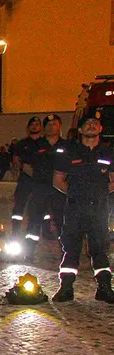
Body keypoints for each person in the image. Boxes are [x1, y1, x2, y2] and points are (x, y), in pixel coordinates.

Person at [51, 116, 114, 303]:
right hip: (75, 208)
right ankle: (66, 287)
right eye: (87, 123)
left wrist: (98, 194)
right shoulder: (69, 151)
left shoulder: (108, 152)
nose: (92, 125)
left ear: (101, 128)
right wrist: (76, 194)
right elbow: (58, 180)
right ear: (80, 130)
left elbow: (113, 180)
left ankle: (104, 287)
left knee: (100, 248)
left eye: (95, 123)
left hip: (99, 209)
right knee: (70, 248)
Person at [23, 114, 69, 259]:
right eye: (49, 124)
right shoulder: (36, 145)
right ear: (44, 128)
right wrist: (38, 179)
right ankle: (29, 252)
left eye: (55, 124)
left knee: (62, 222)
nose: (52, 127)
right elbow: (26, 166)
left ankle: (67, 253)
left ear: (60, 126)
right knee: (34, 222)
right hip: (40, 189)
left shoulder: (67, 146)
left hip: (59, 191)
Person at [10, 116, 43, 235]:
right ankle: (16, 230)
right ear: (28, 127)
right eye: (32, 124)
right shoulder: (22, 144)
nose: (34, 126)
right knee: (19, 206)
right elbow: (16, 159)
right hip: (25, 180)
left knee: (41, 207)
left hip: (41, 181)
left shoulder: (44, 144)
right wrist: (22, 167)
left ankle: (42, 230)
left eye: (37, 124)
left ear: (41, 127)